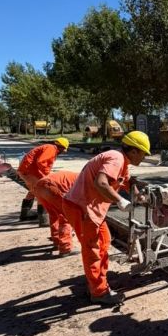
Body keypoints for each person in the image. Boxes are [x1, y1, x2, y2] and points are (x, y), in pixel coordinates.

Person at [62, 131, 150, 306]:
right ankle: (99, 292)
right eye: (143, 153)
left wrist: (139, 195)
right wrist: (120, 201)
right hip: (82, 208)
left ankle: (97, 283)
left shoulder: (121, 162)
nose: (144, 158)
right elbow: (101, 183)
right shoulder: (116, 158)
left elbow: (125, 181)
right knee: (93, 250)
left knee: (104, 242)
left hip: (88, 209)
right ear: (133, 151)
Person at [17, 138, 70, 225]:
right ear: (62, 147)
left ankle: (25, 214)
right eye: (64, 149)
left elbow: (42, 163)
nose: (64, 152)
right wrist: (48, 176)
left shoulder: (49, 148)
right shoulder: (51, 148)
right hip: (30, 172)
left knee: (33, 191)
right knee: (41, 191)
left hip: (27, 171)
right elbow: (41, 162)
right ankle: (43, 218)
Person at [34, 171, 78, 256]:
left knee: (53, 214)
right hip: (49, 186)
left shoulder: (77, 176)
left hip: (38, 187)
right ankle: (65, 248)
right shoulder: (83, 181)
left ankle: (56, 240)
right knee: (66, 216)